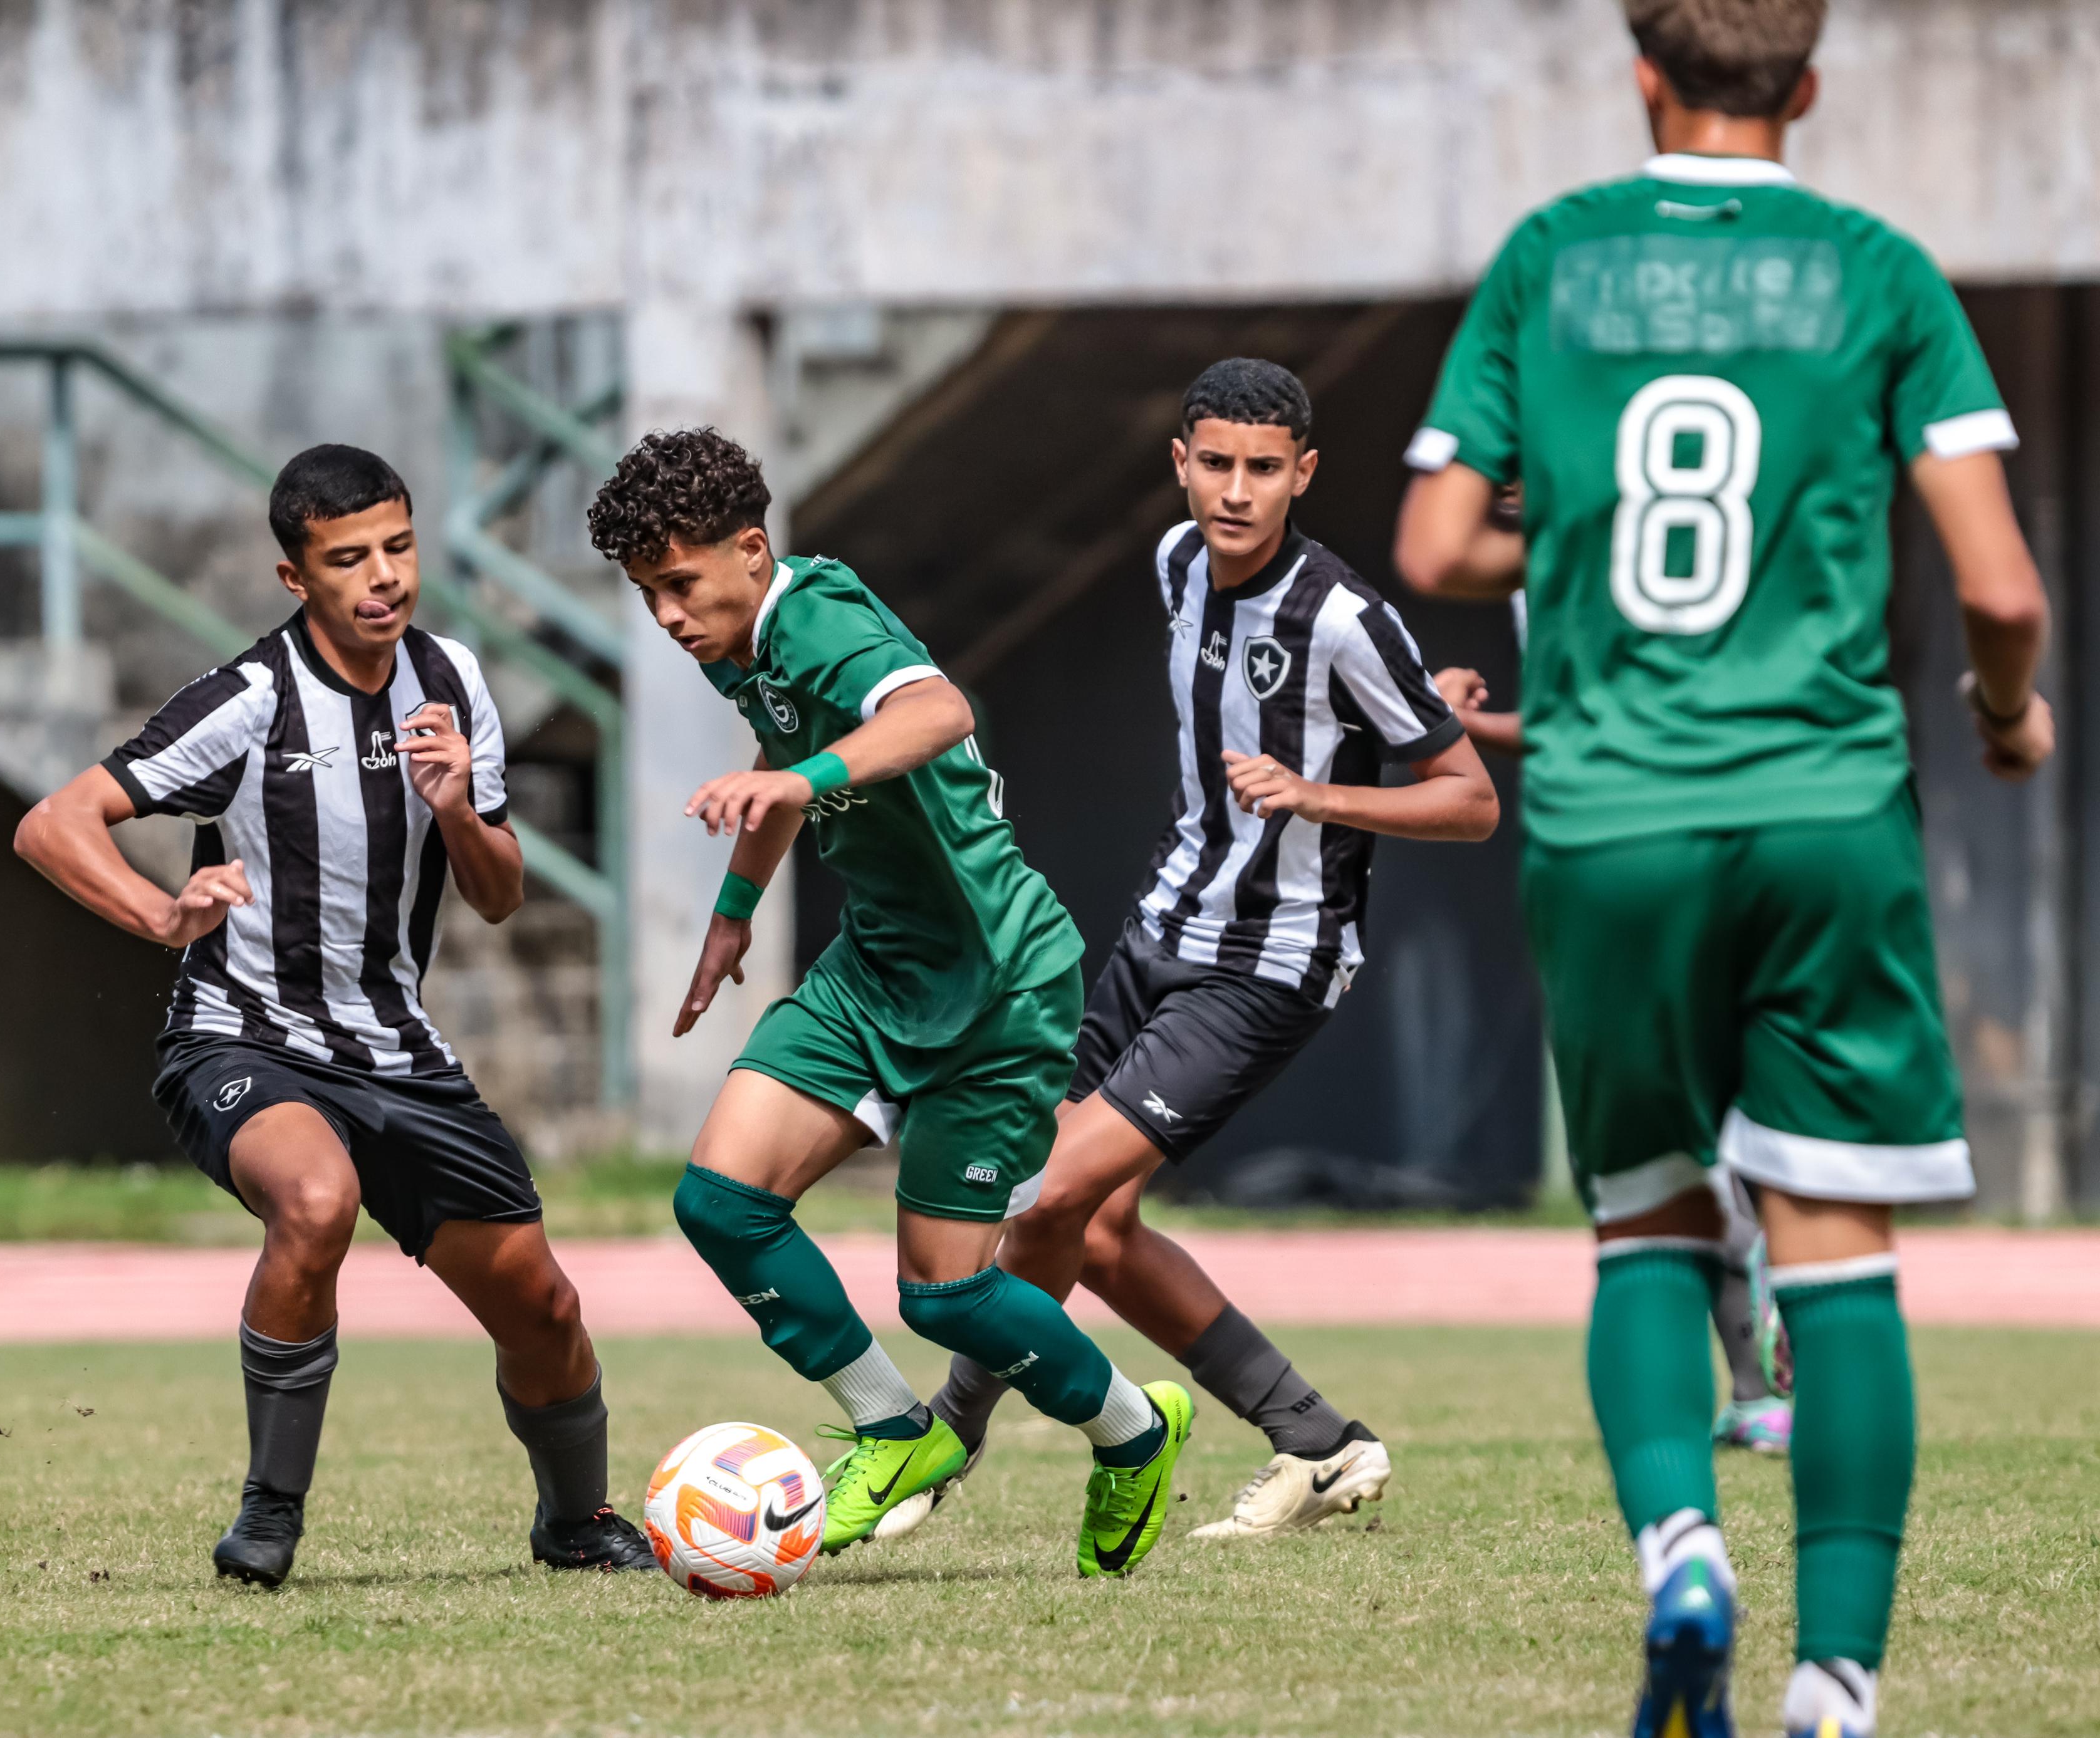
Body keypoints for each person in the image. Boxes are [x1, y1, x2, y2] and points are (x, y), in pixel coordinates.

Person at [1394, 3, 2052, 1732]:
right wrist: (2006, 718)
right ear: (1808, 83)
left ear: (1644, 74)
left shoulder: (1551, 256)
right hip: (1825, 808)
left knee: (1647, 1215)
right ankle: (1835, 1683)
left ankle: (1683, 1550)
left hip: (1613, 814)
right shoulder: (1881, 270)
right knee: (1835, 1243)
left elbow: (1437, 541)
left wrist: (1584, 529)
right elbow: (2001, 589)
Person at [14, 444, 658, 1588]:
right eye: (349, 558)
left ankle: (574, 1522)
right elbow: (54, 823)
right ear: (295, 576)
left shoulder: (453, 680)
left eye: (398, 547)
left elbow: (501, 896)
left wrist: (458, 808)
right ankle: (268, 1515)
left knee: (544, 1303)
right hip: (242, 1034)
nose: (384, 577)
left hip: (398, 1051)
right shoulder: (251, 698)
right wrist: (164, 915)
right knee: (317, 1203)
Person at [904, 358, 1499, 1543]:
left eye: (1264, 468)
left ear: (1304, 474)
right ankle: (1318, 1440)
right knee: (1094, 1229)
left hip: (1271, 959)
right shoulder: (1178, 561)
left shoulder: (1341, 615)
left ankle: (938, 1441)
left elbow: (1471, 798)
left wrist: (1321, 792)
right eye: (1216, 463)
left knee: (1048, 1192)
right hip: (1160, 928)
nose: (1236, 490)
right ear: (1179, 463)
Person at [588, 427, 1193, 1578]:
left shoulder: (819, 619)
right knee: (720, 1202)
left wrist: (798, 777)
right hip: (874, 967)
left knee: (947, 1298)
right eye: (647, 592)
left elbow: (938, 711)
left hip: (997, 984)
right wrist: (732, 913)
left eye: (679, 583)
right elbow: (778, 759)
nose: (666, 614)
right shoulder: (738, 641)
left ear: (751, 550)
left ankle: (1133, 1428)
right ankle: (893, 1426)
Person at [1438, 616, 1795, 1460]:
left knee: (1660, 1158)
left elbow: (1619, 719)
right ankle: (1758, 1385)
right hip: (1727, 847)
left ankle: (1774, 1330)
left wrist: (1455, 724)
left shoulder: (1586, 558)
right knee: (1692, 1139)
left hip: (1645, 857)